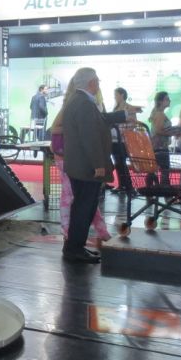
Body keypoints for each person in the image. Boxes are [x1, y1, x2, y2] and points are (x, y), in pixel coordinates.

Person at [61, 67, 123, 264]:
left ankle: (74, 247)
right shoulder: (84, 103)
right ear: (91, 83)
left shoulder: (79, 100)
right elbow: (89, 136)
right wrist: (98, 164)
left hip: (80, 165)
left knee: (83, 207)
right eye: (97, 80)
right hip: (86, 167)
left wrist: (122, 115)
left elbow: (98, 123)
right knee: (84, 208)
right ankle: (74, 249)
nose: (99, 83)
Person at [50, 78, 111, 246]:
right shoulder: (76, 104)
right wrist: (75, 128)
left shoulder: (83, 103)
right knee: (77, 198)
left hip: (75, 157)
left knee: (85, 199)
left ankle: (90, 233)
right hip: (70, 157)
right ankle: (72, 234)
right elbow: (55, 128)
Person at [109, 87, 141, 195]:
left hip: (123, 140)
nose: (114, 97)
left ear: (122, 94)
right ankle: (121, 184)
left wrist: (123, 131)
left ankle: (129, 186)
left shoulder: (129, 108)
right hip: (114, 139)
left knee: (122, 163)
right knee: (118, 162)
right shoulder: (116, 108)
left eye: (116, 94)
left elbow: (133, 123)